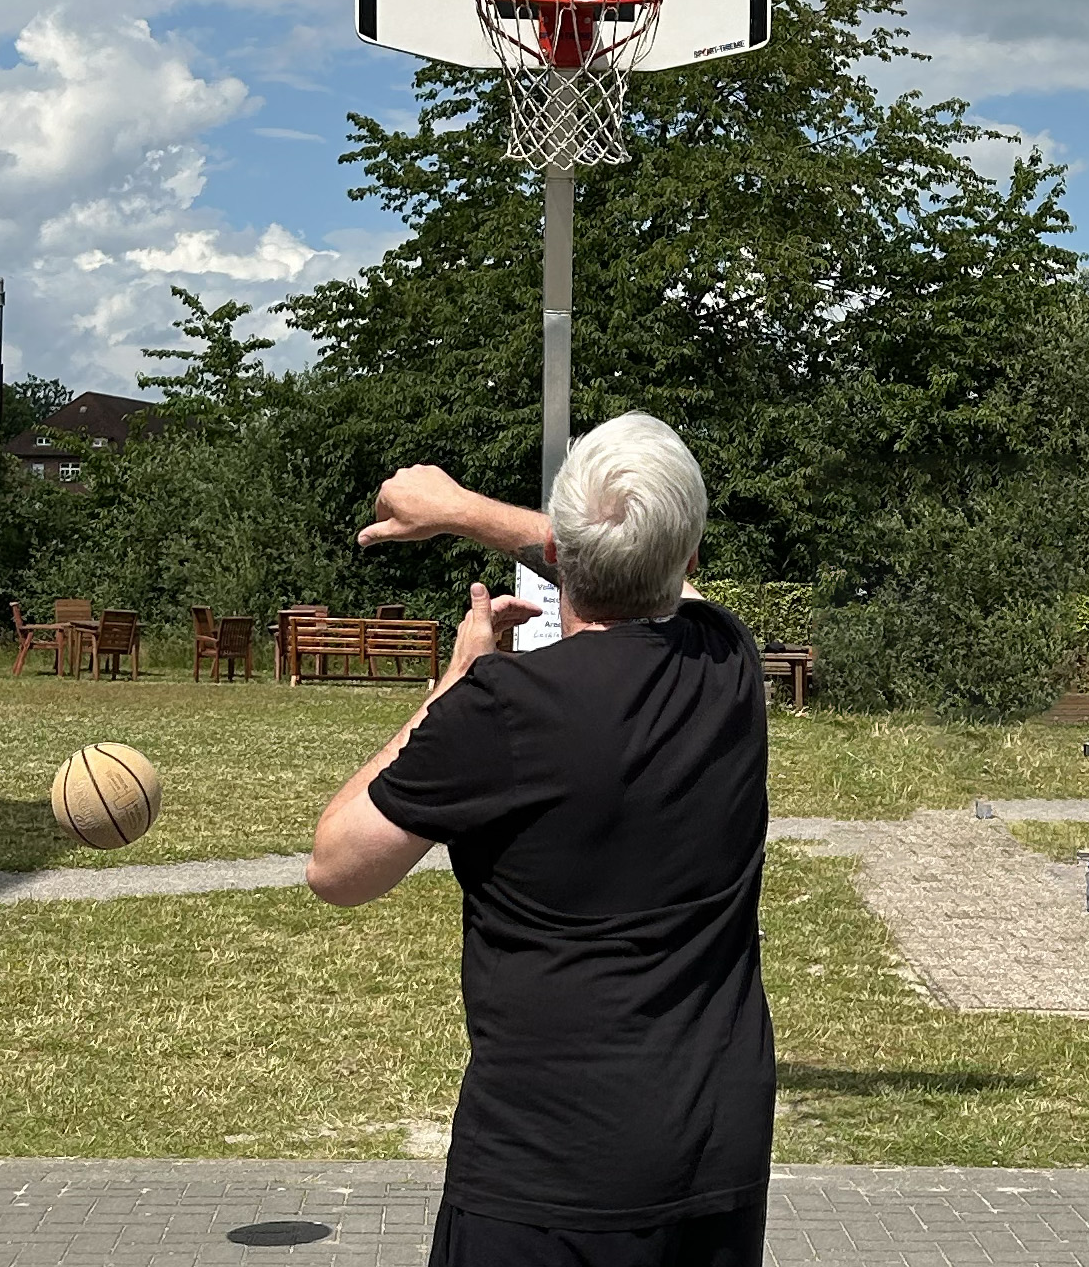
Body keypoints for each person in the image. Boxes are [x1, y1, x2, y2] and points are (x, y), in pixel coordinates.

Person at [307, 412, 774, 1267]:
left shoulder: (500, 708)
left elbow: (337, 865)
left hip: (543, 1179)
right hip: (714, 1165)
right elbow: (644, 563)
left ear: (558, 554)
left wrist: (455, 679)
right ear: (692, 559)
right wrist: (468, 511)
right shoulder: (727, 663)